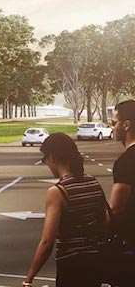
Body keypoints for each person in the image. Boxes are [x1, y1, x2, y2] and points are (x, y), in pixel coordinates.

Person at [23, 132, 109, 287]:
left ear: (52, 157)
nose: (47, 164)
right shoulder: (93, 182)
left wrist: (29, 278)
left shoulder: (58, 192)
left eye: (45, 159)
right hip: (96, 261)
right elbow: (107, 220)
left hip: (71, 264)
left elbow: (47, 242)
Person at [108, 99, 135, 284]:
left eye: (114, 123)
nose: (112, 127)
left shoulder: (125, 162)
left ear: (126, 125)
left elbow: (115, 210)